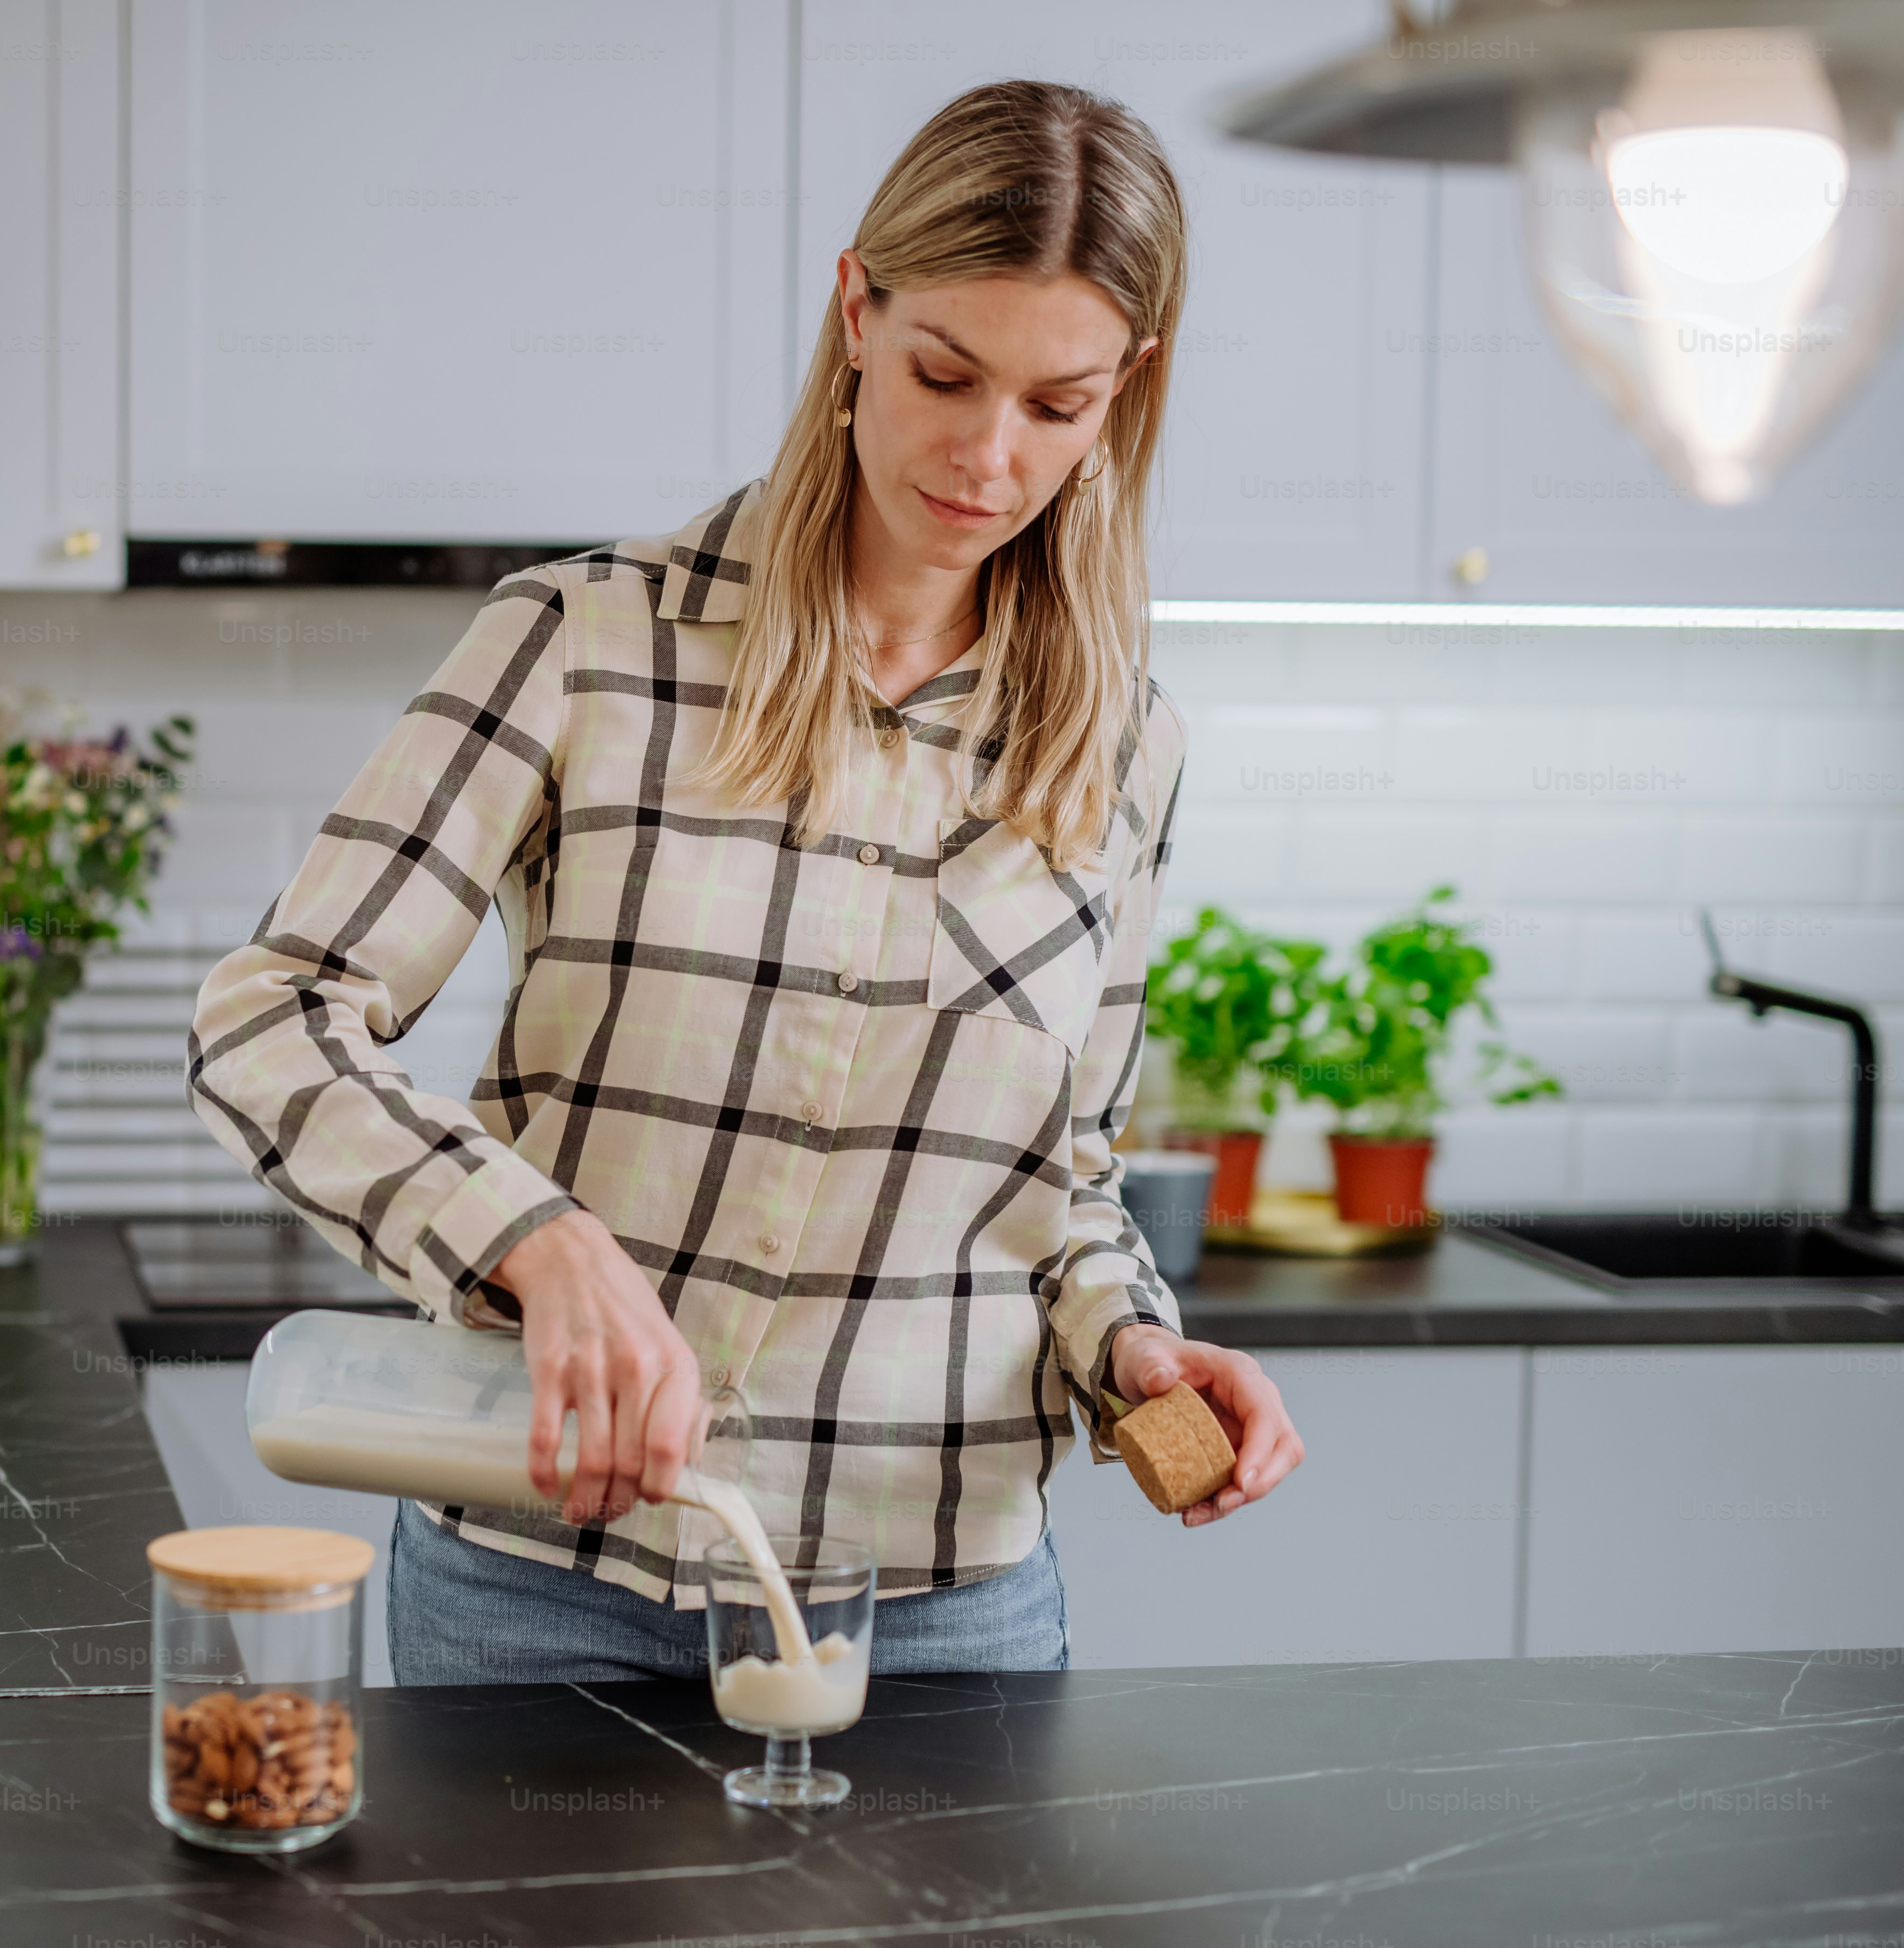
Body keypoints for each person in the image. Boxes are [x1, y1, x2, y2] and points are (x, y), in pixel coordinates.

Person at [189, 79, 1304, 1685]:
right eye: (944, 373)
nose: (990, 457)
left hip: (942, 1609)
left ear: (1126, 392)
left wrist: (1131, 1345)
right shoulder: (588, 643)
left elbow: (1064, 1181)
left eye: (1059, 407)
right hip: (545, 1590)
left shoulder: (1120, 747)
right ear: (857, 310)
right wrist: (538, 1238)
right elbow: (270, 1021)